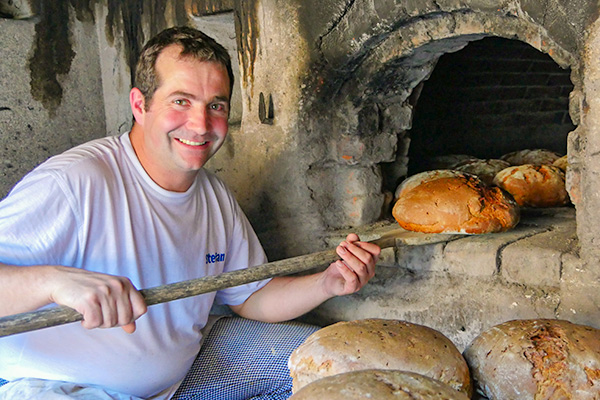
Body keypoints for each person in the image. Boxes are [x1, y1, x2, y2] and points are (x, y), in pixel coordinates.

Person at [0, 26, 380, 399]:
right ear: (139, 105)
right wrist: (53, 281)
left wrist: (329, 282)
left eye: (215, 106)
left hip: (179, 379)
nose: (200, 125)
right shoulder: (75, 182)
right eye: (180, 101)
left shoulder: (214, 197)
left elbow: (251, 296)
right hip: (50, 384)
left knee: (335, 364)